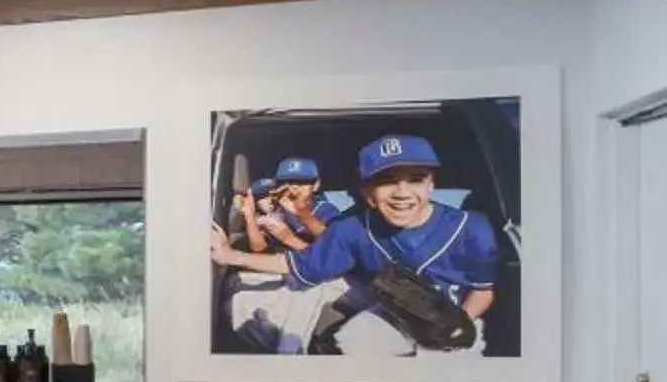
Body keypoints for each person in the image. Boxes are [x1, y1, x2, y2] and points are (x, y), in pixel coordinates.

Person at [209, 133, 499, 354]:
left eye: (416, 179)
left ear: (431, 184)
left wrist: (452, 326)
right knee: (348, 342)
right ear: (367, 191)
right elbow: (297, 264)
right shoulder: (354, 228)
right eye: (386, 180)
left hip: (454, 315)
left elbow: (482, 291)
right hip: (392, 307)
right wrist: (228, 254)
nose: (402, 192)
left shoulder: (471, 226)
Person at [217, 155, 337, 351]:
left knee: (304, 289)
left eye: (302, 182)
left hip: (320, 281)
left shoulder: (325, 210)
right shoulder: (281, 210)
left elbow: (331, 257)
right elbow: (260, 248)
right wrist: (249, 216)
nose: (294, 188)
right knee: (234, 287)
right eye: (287, 182)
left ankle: (290, 352)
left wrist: (287, 236)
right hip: (288, 273)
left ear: (316, 186)